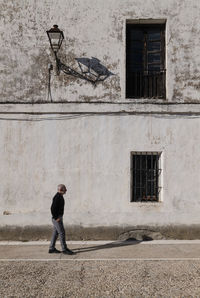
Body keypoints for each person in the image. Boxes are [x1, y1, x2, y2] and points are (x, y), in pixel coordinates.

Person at [49, 184, 75, 255]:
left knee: (55, 233)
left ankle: (51, 248)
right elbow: (52, 208)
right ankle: (64, 249)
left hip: (58, 218)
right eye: (65, 189)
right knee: (62, 232)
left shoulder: (60, 196)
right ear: (61, 190)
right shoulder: (57, 197)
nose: (66, 190)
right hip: (57, 219)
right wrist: (56, 217)